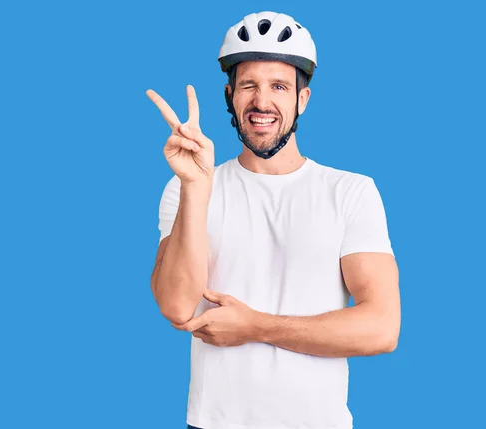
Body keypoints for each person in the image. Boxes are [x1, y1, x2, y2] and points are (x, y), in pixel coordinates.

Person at [147, 11, 400, 429]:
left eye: (279, 86)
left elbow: (381, 327)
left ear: (302, 98)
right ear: (230, 95)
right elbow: (176, 306)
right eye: (249, 85)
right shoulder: (187, 187)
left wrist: (256, 327)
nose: (262, 101)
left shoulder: (351, 191)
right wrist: (195, 185)